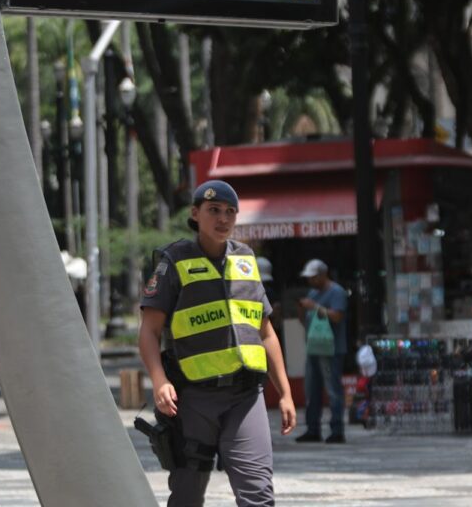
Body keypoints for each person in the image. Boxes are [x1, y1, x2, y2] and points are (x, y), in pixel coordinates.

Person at [138, 180, 296, 507]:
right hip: (194, 399)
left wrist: (285, 393)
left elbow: (265, 332)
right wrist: (159, 381)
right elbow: (149, 331)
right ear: (195, 214)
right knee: (187, 495)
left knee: (258, 495)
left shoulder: (246, 260)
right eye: (214, 211)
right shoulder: (173, 261)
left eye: (230, 212)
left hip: (245, 397)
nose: (223, 219)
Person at [295, 258, 349, 444]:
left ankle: (337, 430)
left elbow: (337, 316)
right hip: (314, 348)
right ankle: (313, 429)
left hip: (331, 349)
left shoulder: (336, 292)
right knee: (312, 389)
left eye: (313, 277)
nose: (310, 281)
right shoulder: (312, 293)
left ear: (323, 275)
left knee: (333, 389)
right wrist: (302, 310)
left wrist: (315, 307)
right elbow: (306, 321)